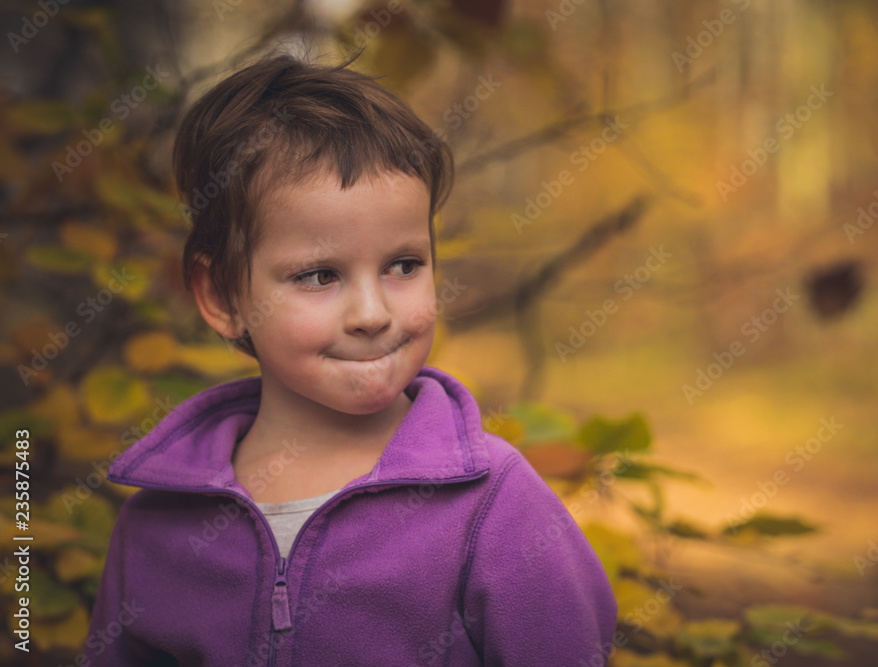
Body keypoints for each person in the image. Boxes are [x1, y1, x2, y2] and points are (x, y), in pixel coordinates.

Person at [84, 53, 617, 666]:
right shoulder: (160, 522)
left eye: (404, 265)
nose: (372, 313)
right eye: (319, 275)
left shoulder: (493, 503)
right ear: (223, 297)